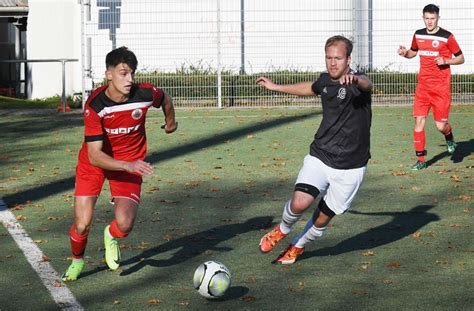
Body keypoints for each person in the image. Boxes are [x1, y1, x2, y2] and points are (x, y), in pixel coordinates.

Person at [62, 46, 177, 281]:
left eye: (132, 73)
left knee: (124, 224)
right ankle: (77, 261)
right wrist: (128, 165)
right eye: (123, 73)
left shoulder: (145, 94)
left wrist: (171, 122)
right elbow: (95, 155)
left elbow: (165, 98)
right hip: (94, 164)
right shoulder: (95, 105)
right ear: (109, 74)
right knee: (82, 224)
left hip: (129, 164)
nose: (129, 79)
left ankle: (111, 235)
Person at [256, 35, 372, 264]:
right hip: (321, 155)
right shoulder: (326, 81)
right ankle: (282, 228)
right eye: (328, 57)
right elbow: (311, 87)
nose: (332, 63)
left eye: (338, 58)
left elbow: (368, 84)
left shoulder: (357, 83)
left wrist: (357, 81)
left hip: (351, 166)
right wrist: (276, 86)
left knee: (322, 218)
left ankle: (298, 245)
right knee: (300, 202)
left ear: (348, 59)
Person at [398, 4, 464, 170]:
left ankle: (449, 138)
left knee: (440, 126)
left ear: (438, 18)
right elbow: (413, 52)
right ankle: (421, 160)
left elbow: (461, 58)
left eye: (432, 18)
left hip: (441, 89)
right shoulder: (418, 34)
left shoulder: (447, 36)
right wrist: (405, 53)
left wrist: (446, 61)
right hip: (423, 88)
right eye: (427, 18)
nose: (429, 21)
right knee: (419, 122)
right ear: (423, 18)